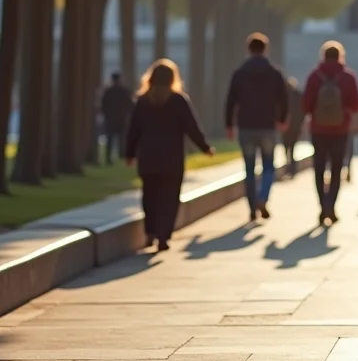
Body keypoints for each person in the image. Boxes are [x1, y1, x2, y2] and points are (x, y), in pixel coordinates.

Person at [125, 59, 214, 252]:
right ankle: (163, 235)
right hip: (171, 158)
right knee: (169, 198)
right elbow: (192, 128)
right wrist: (205, 147)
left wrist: (129, 153)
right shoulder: (178, 100)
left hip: (148, 157)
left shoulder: (143, 101)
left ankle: (150, 232)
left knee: (149, 196)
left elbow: (133, 130)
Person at [224, 33, 289, 221]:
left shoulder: (239, 73)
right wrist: (282, 118)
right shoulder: (275, 73)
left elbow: (230, 101)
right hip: (267, 125)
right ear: (265, 49)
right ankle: (263, 197)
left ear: (248, 49)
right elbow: (283, 99)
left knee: (249, 168)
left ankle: (252, 207)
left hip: (246, 126)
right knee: (269, 165)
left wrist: (229, 124)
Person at [302, 41, 358, 226]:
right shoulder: (348, 77)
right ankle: (332, 206)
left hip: (318, 129)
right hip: (340, 129)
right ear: (340, 56)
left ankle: (322, 206)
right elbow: (357, 105)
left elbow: (305, 105)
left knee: (319, 169)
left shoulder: (314, 76)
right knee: (337, 169)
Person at [100, 72, 134, 165]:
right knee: (122, 138)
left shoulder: (108, 91)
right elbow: (130, 105)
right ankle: (122, 155)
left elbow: (103, 105)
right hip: (122, 118)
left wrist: (104, 114)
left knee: (110, 138)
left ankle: (108, 158)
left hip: (110, 118)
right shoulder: (124, 91)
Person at [282, 77, 305, 179]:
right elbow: (303, 111)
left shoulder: (283, 95)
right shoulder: (299, 95)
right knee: (293, 147)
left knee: (286, 147)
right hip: (295, 125)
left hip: (285, 126)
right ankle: (292, 168)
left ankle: (289, 166)